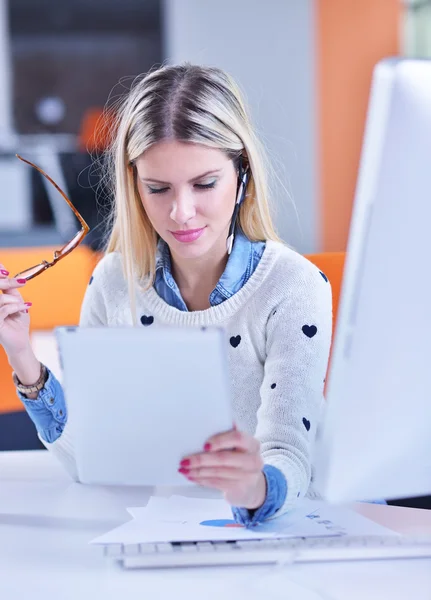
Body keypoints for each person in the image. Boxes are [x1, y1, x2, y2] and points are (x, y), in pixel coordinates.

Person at [0, 64, 332, 525]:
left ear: (242, 176)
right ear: (134, 185)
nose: (182, 212)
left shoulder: (292, 288)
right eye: (158, 189)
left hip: (284, 537)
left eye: (205, 184)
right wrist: (20, 353)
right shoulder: (114, 281)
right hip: (166, 532)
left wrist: (254, 485)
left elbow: (292, 458)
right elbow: (88, 462)